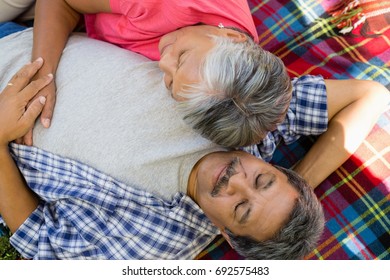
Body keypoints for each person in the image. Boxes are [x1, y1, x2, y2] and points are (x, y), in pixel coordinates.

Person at [1, 25, 389, 259]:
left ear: (226, 233)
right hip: (33, 38)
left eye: (240, 208)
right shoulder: (252, 125)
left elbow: (39, 238)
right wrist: (303, 180)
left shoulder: (160, 244)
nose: (233, 179)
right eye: (263, 181)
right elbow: (371, 96)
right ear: (275, 168)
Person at [24, 0, 292, 151]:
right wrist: (42, 74)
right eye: (183, 56)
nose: (164, 61)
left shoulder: (236, 60)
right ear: (229, 36)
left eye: (171, 83)